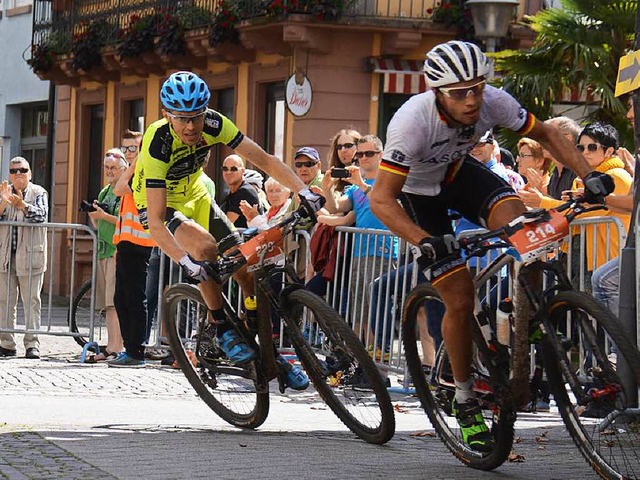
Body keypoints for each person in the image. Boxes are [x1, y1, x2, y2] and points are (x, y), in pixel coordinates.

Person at [369, 40, 613, 452]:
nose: (471, 100)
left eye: (477, 88)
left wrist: (587, 174)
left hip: (459, 174)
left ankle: (520, 315)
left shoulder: (493, 101)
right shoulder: (411, 122)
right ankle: (464, 399)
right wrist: (423, 240)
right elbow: (379, 198)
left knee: (528, 228)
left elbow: (549, 131)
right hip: (416, 196)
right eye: (459, 92)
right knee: (460, 299)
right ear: (436, 91)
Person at [131, 71, 321, 390]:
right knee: (204, 250)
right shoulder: (158, 143)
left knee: (244, 266)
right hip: (161, 206)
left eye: (196, 117)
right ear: (167, 115)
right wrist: (183, 260)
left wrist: (304, 190)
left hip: (196, 195)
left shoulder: (215, 124)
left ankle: (262, 343)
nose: (191, 126)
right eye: (182, 119)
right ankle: (221, 327)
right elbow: (157, 218)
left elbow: (263, 159)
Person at [322, 134, 398, 352]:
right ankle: (358, 360)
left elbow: (386, 203)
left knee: (376, 309)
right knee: (359, 310)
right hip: (359, 252)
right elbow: (338, 207)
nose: (363, 158)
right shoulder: (356, 187)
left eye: (369, 153)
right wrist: (327, 188)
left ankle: (376, 361)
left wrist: (362, 184)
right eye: (361, 154)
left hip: (381, 250)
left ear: (381, 155)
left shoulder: (387, 180)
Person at [109, 130, 156, 367]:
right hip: (126, 241)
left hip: (140, 242)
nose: (128, 153)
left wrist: (136, 161)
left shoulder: (144, 173)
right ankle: (130, 348)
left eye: (133, 149)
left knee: (135, 298)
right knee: (121, 298)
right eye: (125, 149)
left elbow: (119, 188)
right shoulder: (136, 171)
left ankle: (136, 351)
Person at [0, 157, 48, 359]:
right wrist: (4, 201)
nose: (18, 173)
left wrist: (22, 205)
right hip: (5, 257)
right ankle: (6, 344)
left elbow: (41, 215)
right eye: (14, 170)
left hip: (30, 257)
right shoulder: (4, 191)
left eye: (22, 170)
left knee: (31, 302)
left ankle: (32, 344)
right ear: (9, 174)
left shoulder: (39, 192)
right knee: (4, 302)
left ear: (30, 173)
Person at [87, 148, 127, 361]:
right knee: (107, 304)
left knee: (114, 303)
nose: (109, 171)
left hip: (116, 250)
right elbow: (99, 222)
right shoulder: (105, 191)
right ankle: (112, 346)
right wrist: (96, 215)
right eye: (107, 167)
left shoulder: (124, 190)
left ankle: (116, 347)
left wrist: (103, 215)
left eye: (113, 168)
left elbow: (125, 220)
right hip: (103, 249)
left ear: (123, 169)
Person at [219, 154, 264, 229]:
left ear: (243, 171)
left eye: (233, 169)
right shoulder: (232, 193)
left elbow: (226, 225)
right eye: (225, 169)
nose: (228, 172)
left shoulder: (245, 192)